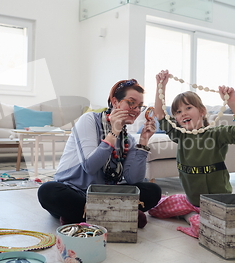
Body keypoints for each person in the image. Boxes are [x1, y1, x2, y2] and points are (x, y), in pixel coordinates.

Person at [38, 79, 162, 228]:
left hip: (106, 194)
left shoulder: (128, 139)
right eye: (131, 102)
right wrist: (114, 132)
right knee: (48, 191)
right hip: (76, 191)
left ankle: (84, 217)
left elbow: (133, 179)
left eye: (140, 106)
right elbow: (89, 166)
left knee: (152, 191)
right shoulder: (89, 120)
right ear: (115, 101)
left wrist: (143, 141)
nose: (136, 110)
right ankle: (119, 215)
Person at [148, 70, 235, 238]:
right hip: (191, 200)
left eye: (188, 108)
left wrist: (232, 102)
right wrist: (160, 86)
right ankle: (188, 212)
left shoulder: (216, 134)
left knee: (205, 230)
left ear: (202, 111)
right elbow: (160, 115)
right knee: (154, 209)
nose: (183, 113)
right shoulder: (180, 135)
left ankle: (191, 217)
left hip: (217, 204)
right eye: (177, 112)